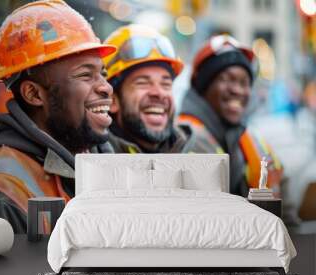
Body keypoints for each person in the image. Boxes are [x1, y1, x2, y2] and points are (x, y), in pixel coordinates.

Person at [0, 0, 116, 233]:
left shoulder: (95, 162)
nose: (106, 88)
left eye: (102, 74)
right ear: (34, 94)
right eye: (85, 75)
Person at [177, 35, 283, 197]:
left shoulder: (253, 140)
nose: (237, 90)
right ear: (204, 87)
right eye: (226, 79)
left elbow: (287, 206)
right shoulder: (185, 139)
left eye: (244, 82)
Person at [102, 24, 214, 154]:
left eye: (166, 84)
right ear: (112, 100)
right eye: (142, 82)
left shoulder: (202, 152)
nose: (159, 93)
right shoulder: (90, 158)